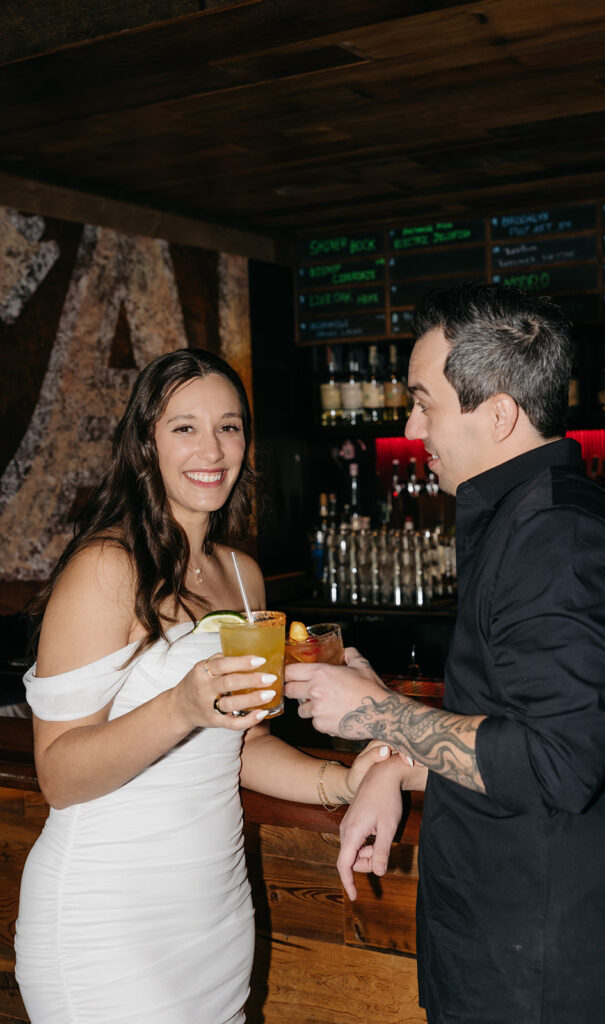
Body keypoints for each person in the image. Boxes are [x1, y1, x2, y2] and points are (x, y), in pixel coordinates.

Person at [285, 283, 605, 1024]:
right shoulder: (528, 519)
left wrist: (381, 714)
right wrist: (395, 763)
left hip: (545, 969)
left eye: (425, 402)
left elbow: (555, 764)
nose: (410, 425)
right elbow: (512, 720)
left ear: (498, 413)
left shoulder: (556, 538)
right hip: (519, 946)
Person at [14, 347, 388, 1024]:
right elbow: (59, 776)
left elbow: (239, 745)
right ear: (145, 443)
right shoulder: (106, 567)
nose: (211, 448)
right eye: (184, 426)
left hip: (212, 915)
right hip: (107, 919)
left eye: (229, 425)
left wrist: (339, 783)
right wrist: (180, 706)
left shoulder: (242, 575)